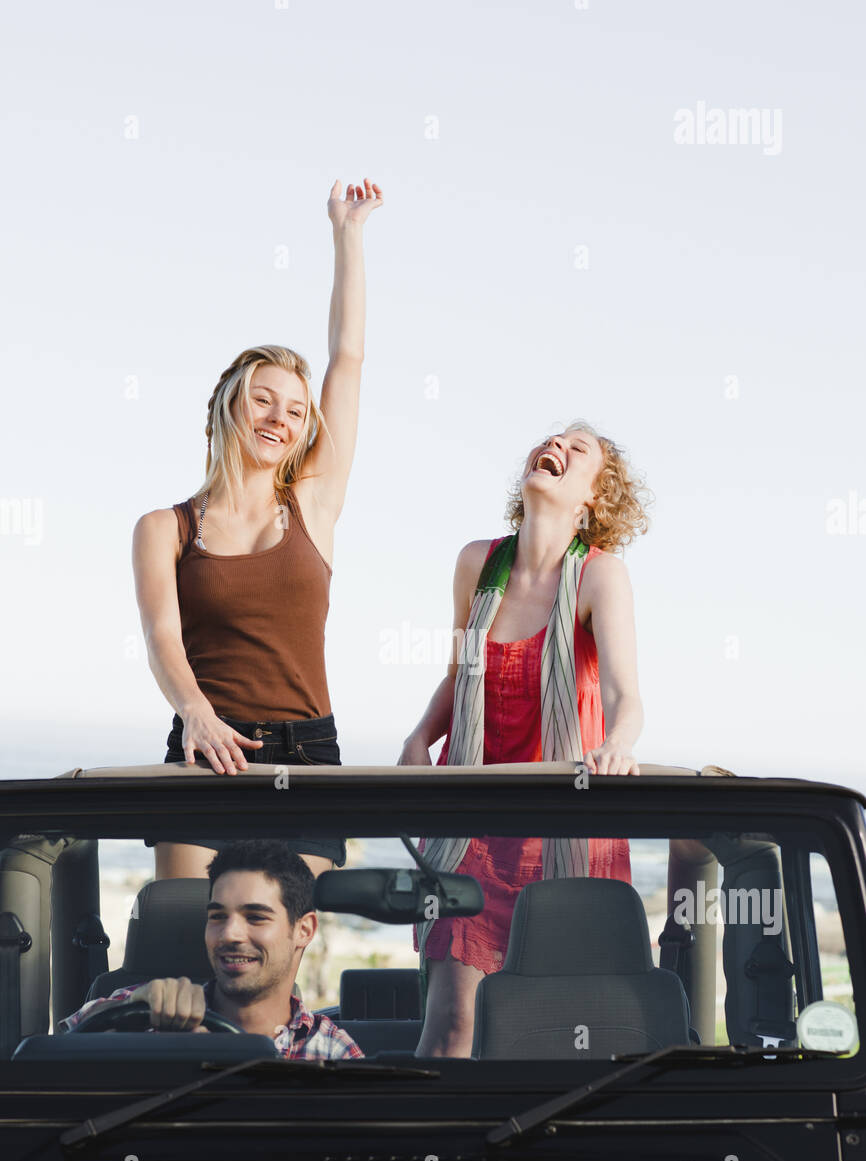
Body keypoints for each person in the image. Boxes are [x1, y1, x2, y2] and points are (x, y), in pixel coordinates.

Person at [132, 178, 383, 881]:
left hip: (307, 754)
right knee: (182, 945)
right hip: (206, 749)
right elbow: (161, 640)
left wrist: (348, 234)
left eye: (296, 411)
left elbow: (349, 360)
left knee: (282, 952)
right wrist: (198, 717)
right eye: (264, 400)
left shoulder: (314, 505)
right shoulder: (165, 528)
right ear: (227, 409)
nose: (280, 417)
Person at [400, 421, 650, 1057]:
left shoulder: (600, 576)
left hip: (563, 838)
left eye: (579, 447)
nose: (557, 446)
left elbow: (625, 691)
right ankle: (433, 1153)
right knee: (452, 1024)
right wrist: (418, 739)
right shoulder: (476, 562)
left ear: (593, 496)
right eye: (554, 438)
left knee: (564, 1035)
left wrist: (619, 742)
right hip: (472, 831)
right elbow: (459, 676)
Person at [58, 840, 363, 1061]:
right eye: (217, 916)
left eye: (256, 917)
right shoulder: (146, 1011)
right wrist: (134, 1012)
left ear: (304, 930)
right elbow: (54, 1054)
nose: (229, 934)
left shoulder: (330, 1051)